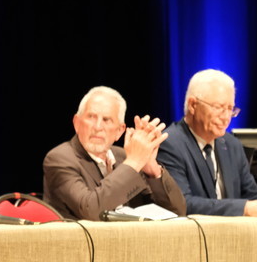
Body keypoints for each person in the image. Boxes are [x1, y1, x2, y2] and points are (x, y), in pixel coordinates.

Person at [157, 69, 257, 217]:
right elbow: (183, 203)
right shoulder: (169, 143)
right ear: (193, 105)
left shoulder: (231, 144)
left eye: (230, 109)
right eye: (219, 107)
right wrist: (244, 208)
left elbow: (253, 196)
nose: (226, 117)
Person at [43, 86, 187, 220]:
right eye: (91, 117)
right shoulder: (60, 159)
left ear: (119, 131)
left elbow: (177, 211)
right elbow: (90, 210)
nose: (98, 127)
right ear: (77, 123)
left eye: (106, 120)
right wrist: (134, 162)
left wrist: (152, 170)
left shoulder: (123, 157)